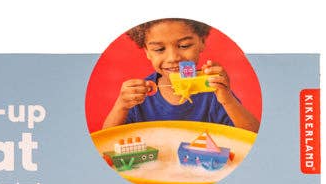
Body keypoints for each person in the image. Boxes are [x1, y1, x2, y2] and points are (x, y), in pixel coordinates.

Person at [102, 18, 260, 132]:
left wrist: (228, 100)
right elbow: (107, 142)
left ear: (202, 42)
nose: (173, 58)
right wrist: (121, 106)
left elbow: (253, 135)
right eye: (159, 49)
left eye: (184, 46)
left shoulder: (214, 90)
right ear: (147, 52)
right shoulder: (139, 96)